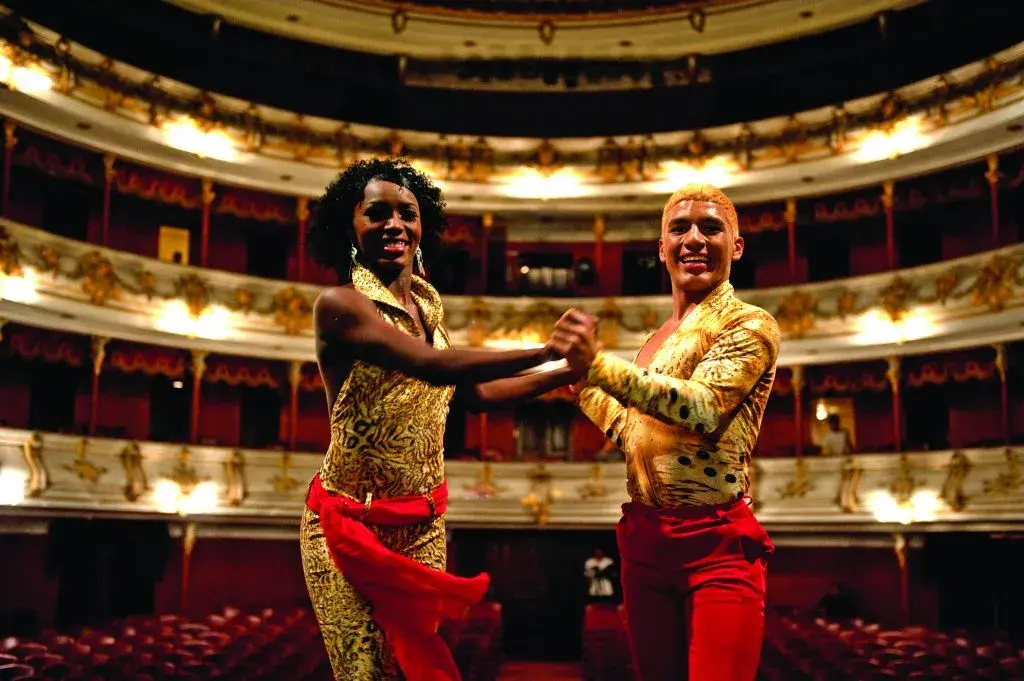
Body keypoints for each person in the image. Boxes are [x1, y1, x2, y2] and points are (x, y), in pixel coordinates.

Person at [300, 158, 585, 681]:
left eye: (407, 214)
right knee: (366, 674)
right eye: (376, 213)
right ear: (350, 225)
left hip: (421, 525)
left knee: (410, 669)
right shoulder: (339, 304)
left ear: (422, 225)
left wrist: (565, 372)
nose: (394, 226)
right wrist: (544, 350)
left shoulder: (429, 305)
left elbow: (473, 393)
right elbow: (431, 366)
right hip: (348, 524)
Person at [555, 183, 781, 680]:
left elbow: (701, 409)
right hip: (645, 542)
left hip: (716, 543)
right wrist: (580, 383)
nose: (694, 239)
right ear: (662, 249)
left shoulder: (751, 324)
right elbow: (631, 429)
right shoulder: (657, 341)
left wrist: (598, 367)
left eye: (711, 228)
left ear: (737, 246)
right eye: (679, 228)